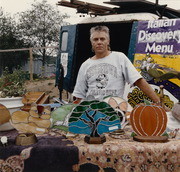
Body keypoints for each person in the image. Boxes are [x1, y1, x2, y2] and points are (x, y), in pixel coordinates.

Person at [72, 25, 160, 104]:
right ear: (91, 42)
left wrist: (159, 102)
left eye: (102, 39)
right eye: (95, 39)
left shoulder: (120, 58)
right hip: (93, 113)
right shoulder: (85, 65)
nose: (99, 42)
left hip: (115, 112)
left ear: (108, 41)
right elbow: (79, 95)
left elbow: (138, 81)